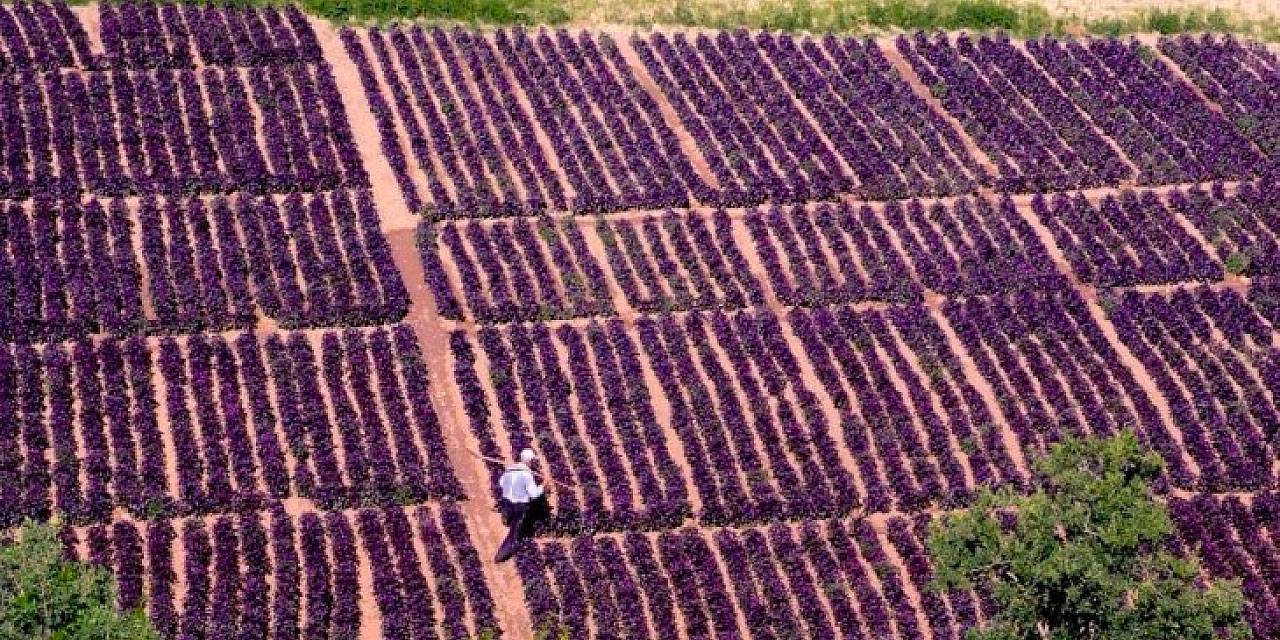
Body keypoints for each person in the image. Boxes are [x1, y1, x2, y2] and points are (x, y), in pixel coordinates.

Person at [495, 448, 548, 562]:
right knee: (515, 530)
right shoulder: (526, 475)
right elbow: (534, 494)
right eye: (533, 461)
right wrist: (544, 484)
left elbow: (501, 483)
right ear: (529, 461)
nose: (535, 463)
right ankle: (502, 554)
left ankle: (507, 518)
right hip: (519, 505)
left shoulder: (509, 470)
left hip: (506, 502)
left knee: (511, 518)